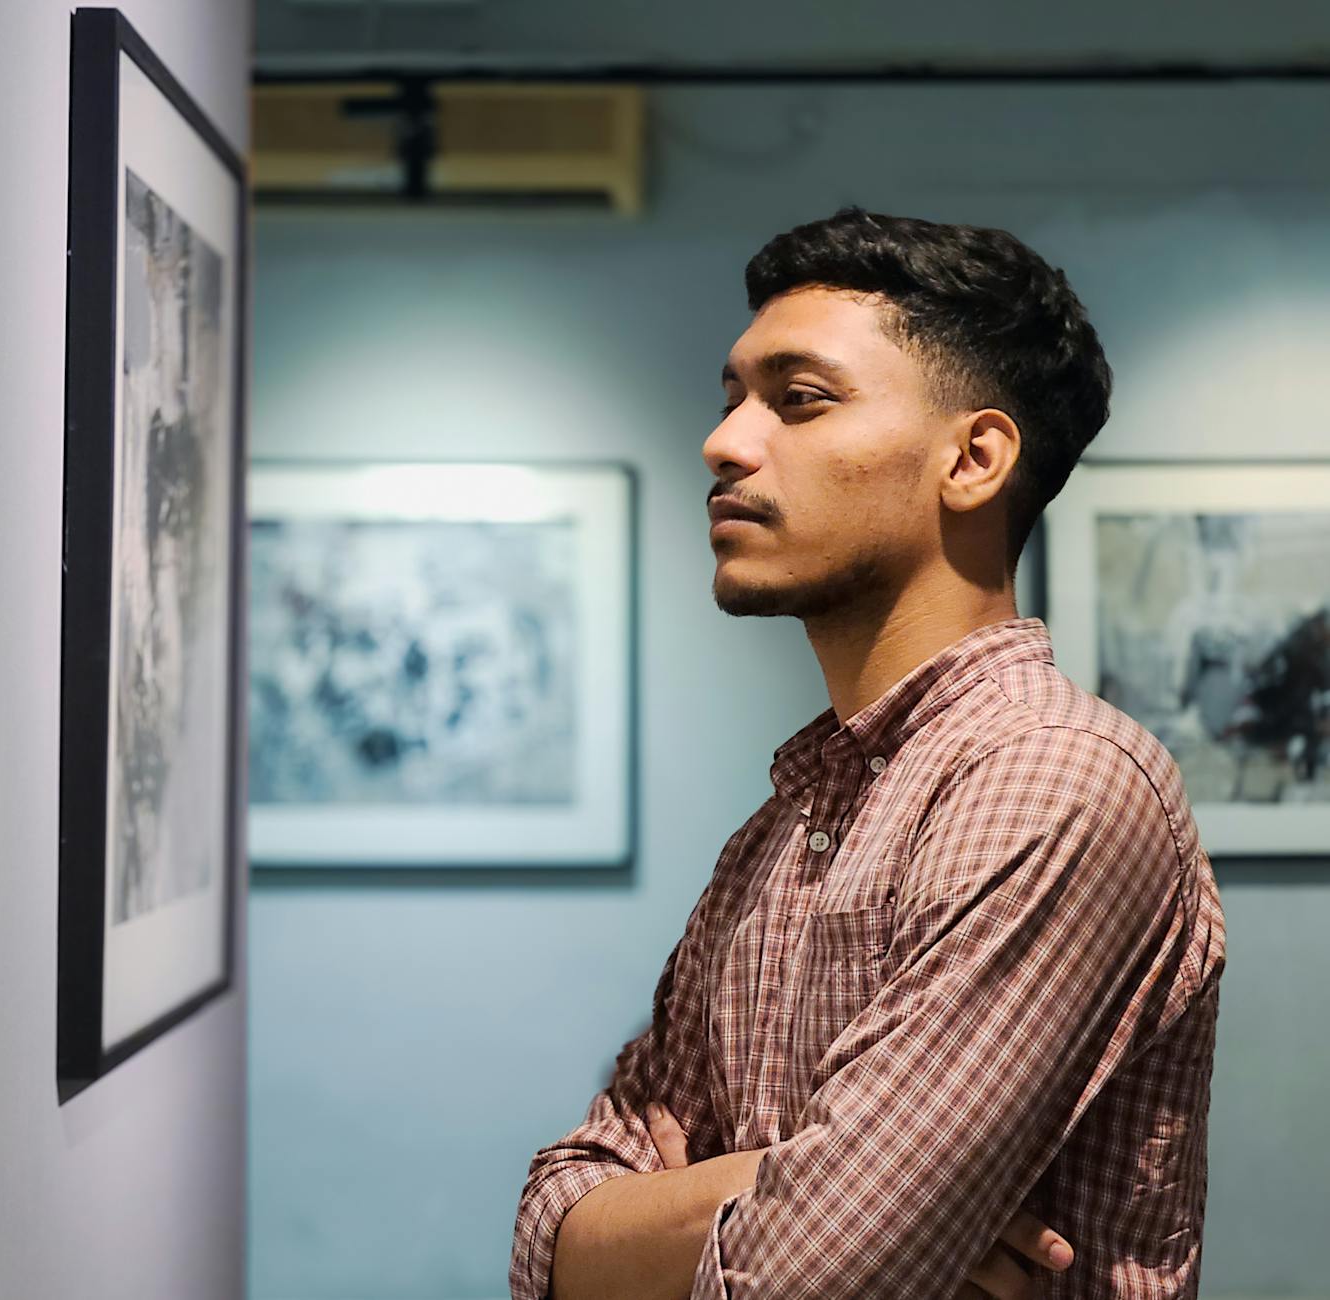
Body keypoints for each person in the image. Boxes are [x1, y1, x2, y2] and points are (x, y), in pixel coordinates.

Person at [508, 208, 1227, 1300]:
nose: (725, 441)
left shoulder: (1052, 781)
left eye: (799, 400)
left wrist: (700, 1230)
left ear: (975, 458)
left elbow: (811, 1280)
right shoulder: (789, 821)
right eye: (732, 398)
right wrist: (771, 1186)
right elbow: (552, 1220)